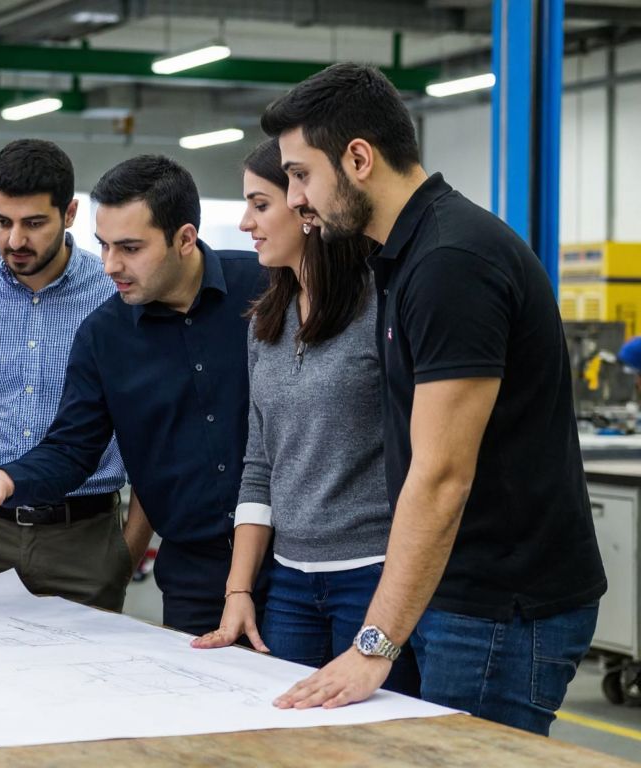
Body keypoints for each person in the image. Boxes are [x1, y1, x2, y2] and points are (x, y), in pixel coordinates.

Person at [261, 63, 606, 735]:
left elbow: (443, 475)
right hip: (466, 597)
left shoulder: (451, 263)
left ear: (358, 158)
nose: (296, 197)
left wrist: (374, 644)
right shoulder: (404, 252)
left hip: (501, 609)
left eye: (302, 174)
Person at [0, 155, 266, 635]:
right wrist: (9, 478)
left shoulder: (263, 289)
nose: (111, 265)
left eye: (129, 248)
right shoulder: (105, 332)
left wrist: (122, 552)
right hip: (193, 569)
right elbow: (74, 446)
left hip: (288, 556)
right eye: (104, 246)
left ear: (185, 238)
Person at [190, 139, 416, 696]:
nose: (245, 223)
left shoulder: (379, 308)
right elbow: (259, 463)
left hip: (373, 575)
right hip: (289, 581)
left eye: (260, 205)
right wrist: (239, 590)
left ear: (305, 204)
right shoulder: (267, 321)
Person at [0, 139, 140, 612]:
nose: (15, 240)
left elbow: (148, 425)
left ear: (69, 214)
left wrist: (127, 548)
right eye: (2, 222)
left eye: (34, 223)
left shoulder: (114, 292)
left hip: (84, 538)